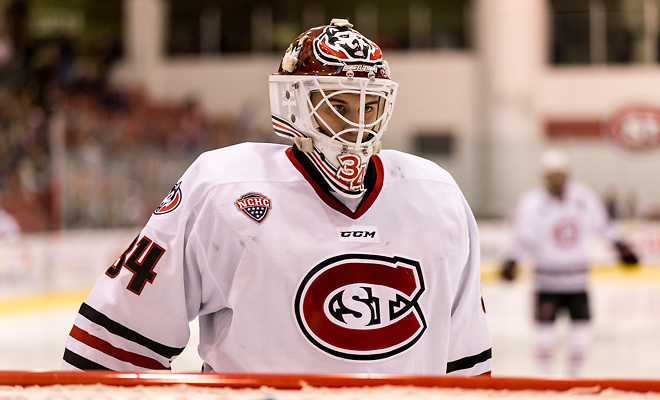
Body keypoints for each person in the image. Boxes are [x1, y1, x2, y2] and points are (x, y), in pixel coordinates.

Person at [62, 19, 492, 376]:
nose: (356, 126)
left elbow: (467, 370)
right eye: (338, 104)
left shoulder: (438, 197)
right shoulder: (222, 187)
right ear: (293, 102)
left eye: (369, 107)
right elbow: (111, 348)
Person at [500, 149, 638, 376]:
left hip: (577, 280)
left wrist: (620, 246)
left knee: (581, 334)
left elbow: (602, 225)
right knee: (544, 335)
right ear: (544, 176)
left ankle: (576, 377)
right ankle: (543, 379)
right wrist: (512, 260)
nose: (557, 179)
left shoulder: (583, 198)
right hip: (547, 281)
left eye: (560, 174)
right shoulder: (532, 203)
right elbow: (523, 238)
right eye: (552, 175)